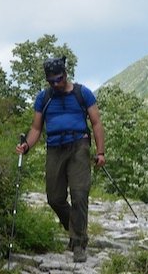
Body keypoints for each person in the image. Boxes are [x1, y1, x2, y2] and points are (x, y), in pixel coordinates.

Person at [15, 56, 106, 262]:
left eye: (59, 79)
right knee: (54, 198)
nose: (56, 84)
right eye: (51, 81)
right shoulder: (44, 98)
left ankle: (78, 242)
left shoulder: (83, 94)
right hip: (55, 148)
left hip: (79, 146)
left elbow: (96, 123)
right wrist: (26, 146)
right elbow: (36, 128)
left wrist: (100, 152)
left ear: (66, 74)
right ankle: (74, 225)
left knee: (79, 194)